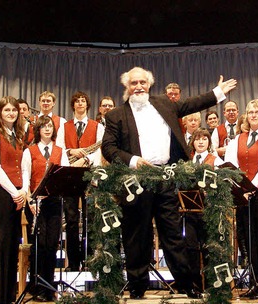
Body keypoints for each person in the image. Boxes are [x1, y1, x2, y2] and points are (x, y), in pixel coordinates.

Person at [101, 66, 236, 299]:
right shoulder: (115, 115)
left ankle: (186, 283)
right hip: (136, 181)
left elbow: (192, 104)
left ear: (149, 84)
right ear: (126, 86)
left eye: (142, 82)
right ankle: (137, 285)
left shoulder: (164, 103)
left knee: (173, 233)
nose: (139, 87)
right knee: (137, 235)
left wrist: (217, 93)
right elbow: (108, 147)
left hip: (166, 177)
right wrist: (133, 160)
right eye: (134, 83)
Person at [225, 99, 258, 299]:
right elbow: (231, 162)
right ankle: (256, 283)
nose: (253, 115)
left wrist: (252, 187)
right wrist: (241, 187)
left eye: (257, 112)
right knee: (250, 240)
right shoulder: (239, 138)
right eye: (250, 112)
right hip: (243, 193)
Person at [21, 116, 70, 302]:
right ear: (38, 130)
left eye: (50, 126)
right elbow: (26, 178)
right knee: (39, 245)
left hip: (54, 202)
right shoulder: (30, 151)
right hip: (36, 203)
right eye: (43, 127)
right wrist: (29, 200)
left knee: (51, 244)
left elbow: (64, 176)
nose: (47, 129)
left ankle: (49, 286)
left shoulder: (60, 151)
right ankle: (37, 286)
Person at [0, 96, 26, 304]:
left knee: (11, 247)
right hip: (1, 193)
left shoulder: (17, 135)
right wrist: (14, 191)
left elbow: (23, 167)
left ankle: (8, 296)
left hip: (16, 195)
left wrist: (23, 191)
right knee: (1, 246)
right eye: (7, 110)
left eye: (14, 110)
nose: (11, 113)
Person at [55, 91, 104, 271]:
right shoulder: (64, 127)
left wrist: (86, 159)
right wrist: (71, 154)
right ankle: (73, 263)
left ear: (87, 105)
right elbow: (59, 149)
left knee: (90, 218)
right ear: (73, 105)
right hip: (70, 175)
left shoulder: (97, 126)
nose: (80, 104)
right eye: (77, 101)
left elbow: (101, 149)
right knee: (72, 219)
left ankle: (90, 260)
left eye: (83, 101)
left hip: (90, 175)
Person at [184, 128, 224, 290]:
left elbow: (223, 183)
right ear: (192, 142)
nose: (201, 142)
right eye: (197, 139)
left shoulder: (216, 161)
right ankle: (194, 284)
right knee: (191, 247)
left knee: (208, 247)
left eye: (204, 139)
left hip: (209, 211)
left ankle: (209, 285)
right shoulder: (188, 162)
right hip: (190, 211)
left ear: (209, 142)